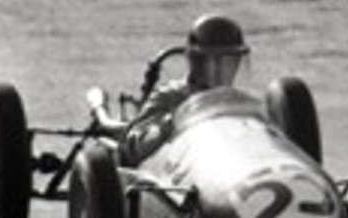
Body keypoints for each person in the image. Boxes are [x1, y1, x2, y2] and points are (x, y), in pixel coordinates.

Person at [102, 15, 249, 165]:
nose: (221, 70)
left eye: (230, 61)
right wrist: (169, 124)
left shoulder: (242, 104)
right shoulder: (170, 97)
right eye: (214, 61)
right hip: (180, 175)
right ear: (196, 61)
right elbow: (133, 148)